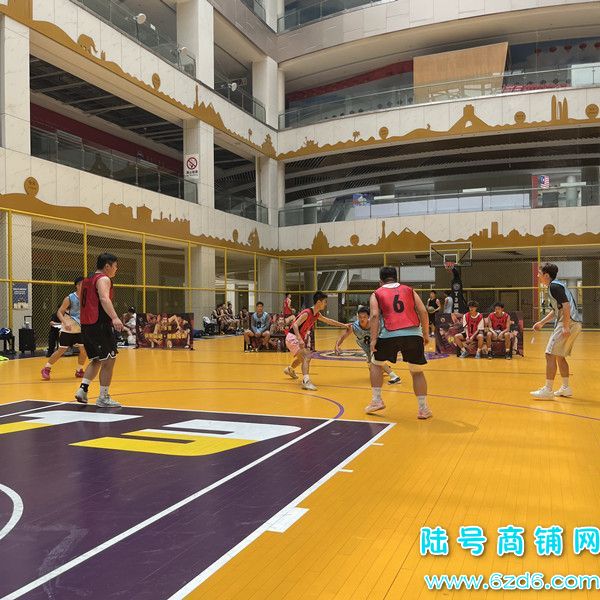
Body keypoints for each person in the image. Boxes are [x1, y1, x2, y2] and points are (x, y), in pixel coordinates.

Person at [365, 266, 432, 419]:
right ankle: (423, 409)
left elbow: (374, 316)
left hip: (389, 334)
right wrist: (425, 334)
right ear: (396, 278)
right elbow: (423, 311)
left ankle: (376, 400)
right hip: (413, 334)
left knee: (375, 364)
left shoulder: (376, 293)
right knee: (417, 371)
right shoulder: (409, 290)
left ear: (380, 281)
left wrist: (373, 340)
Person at [75, 253, 124, 407]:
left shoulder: (87, 280)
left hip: (86, 325)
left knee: (96, 359)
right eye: (115, 266)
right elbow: (104, 298)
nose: (116, 269)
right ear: (107, 266)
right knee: (109, 360)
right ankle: (103, 397)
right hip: (99, 324)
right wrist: (115, 317)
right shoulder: (103, 279)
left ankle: (83, 389)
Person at [530, 263, 582, 399]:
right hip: (575, 323)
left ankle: (548, 390)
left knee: (549, 354)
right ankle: (565, 388)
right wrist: (541, 323)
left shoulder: (554, 286)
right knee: (559, 355)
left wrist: (565, 326)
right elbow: (556, 310)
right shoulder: (556, 286)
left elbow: (566, 306)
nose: (538, 276)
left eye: (539, 273)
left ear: (546, 275)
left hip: (569, 322)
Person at [284, 291, 349, 391]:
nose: (326, 304)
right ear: (319, 302)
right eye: (325, 302)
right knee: (306, 356)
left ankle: (290, 369)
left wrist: (344, 325)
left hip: (294, 338)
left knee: (301, 357)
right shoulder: (307, 313)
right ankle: (306, 382)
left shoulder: (317, 314)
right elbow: (295, 325)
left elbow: (329, 321)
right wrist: (300, 339)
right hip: (292, 337)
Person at [335, 305, 401, 385]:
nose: (362, 319)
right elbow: (342, 337)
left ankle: (395, 377)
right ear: (357, 317)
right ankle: (382, 369)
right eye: (360, 317)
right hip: (366, 347)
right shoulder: (354, 327)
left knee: (376, 359)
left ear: (368, 317)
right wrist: (337, 346)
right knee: (372, 366)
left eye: (364, 317)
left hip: (377, 343)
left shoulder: (375, 324)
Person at [41, 277, 88, 380]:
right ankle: (46, 368)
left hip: (80, 329)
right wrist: (65, 322)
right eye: (83, 284)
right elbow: (59, 312)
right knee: (61, 350)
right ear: (77, 285)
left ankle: (79, 370)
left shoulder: (87, 298)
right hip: (68, 329)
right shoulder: (69, 298)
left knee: (84, 350)